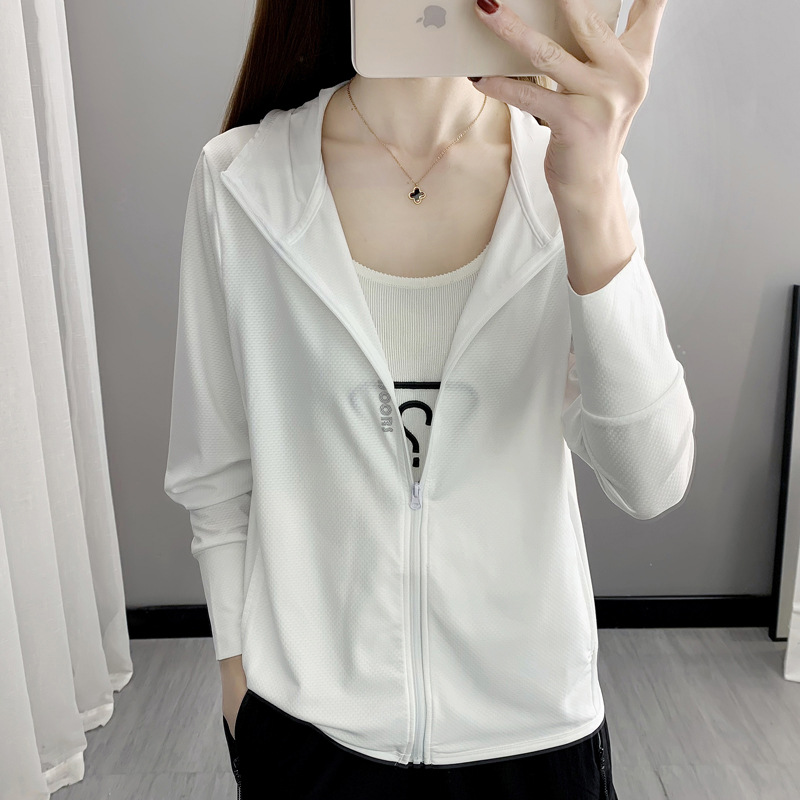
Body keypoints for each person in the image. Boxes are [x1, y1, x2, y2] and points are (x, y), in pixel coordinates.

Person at [164, 1, 693, 798]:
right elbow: (215, 470)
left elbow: (650, 479)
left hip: (535, 733)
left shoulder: (567, 175)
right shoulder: (242, 181)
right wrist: (239, 682)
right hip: (310, 736)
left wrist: (590, 192)